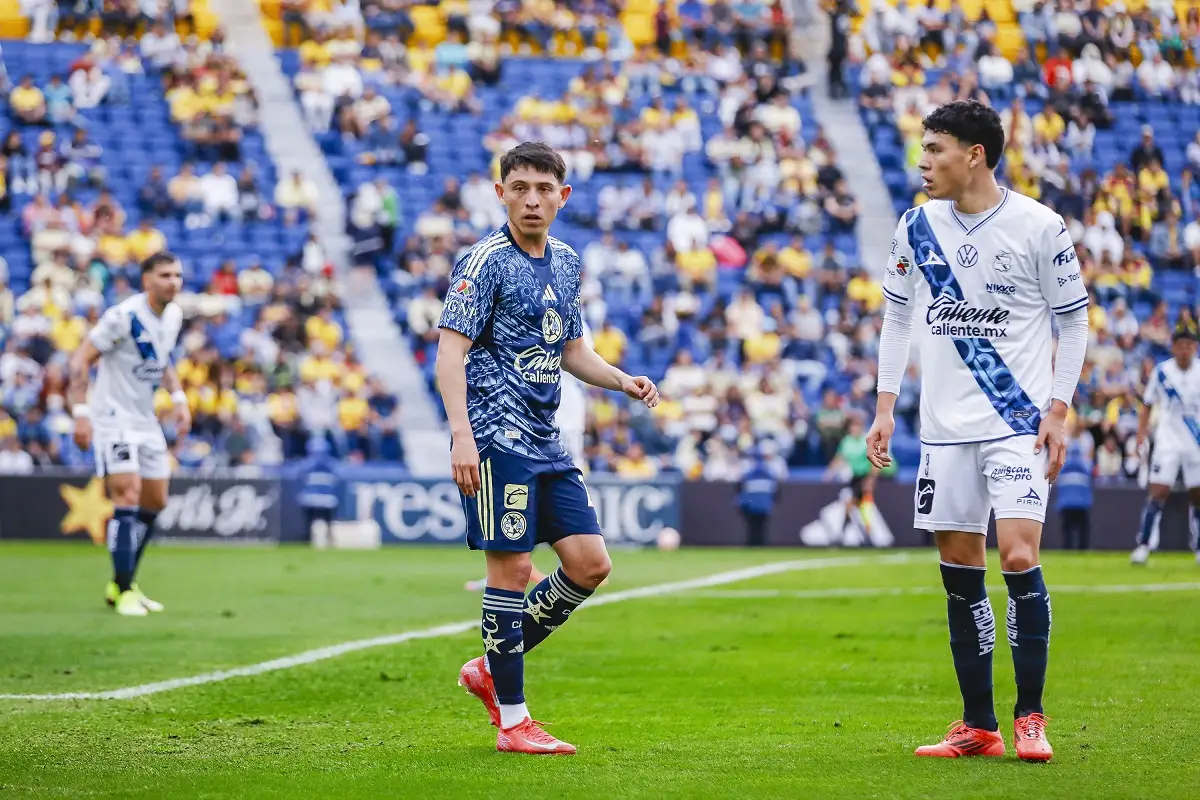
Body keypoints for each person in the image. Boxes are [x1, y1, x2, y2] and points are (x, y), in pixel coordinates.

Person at [866, 101, 1089, 763]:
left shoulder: (1039, 227)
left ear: (975, 155)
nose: (922, 162)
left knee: (1019, 559)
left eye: (935, 149)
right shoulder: (916, 227)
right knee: (960, 573)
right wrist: (884, 408)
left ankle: (1030, 716)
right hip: (943, 431)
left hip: (1016, 425)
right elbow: (896, 320)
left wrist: (1057, 409)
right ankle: (977, 724)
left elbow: (1072, 320)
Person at [435, 142, 660, 755]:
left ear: (563, 196)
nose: (531, 199)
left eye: (543, 189)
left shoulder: (564, 260)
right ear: (501, 192)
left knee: (590, 563)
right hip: (495, 437)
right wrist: (461, 434)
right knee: (508, 572)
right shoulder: (482, 263)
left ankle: (486, 669)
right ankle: (514, 721)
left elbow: (571, 351)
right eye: (520, 188)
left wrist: (623, 380)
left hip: (546, 438)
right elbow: (449, 353)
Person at [68, 252, 190, 618]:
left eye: (178, 275)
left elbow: (160, 360)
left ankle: (124, 582)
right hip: (112, 418)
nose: (174, 282)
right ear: (146, 281)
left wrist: (179, 397)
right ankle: (123, 591)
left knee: (156, 501)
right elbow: (79, 361)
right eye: (166, 275)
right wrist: (81, 414)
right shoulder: (122, 317)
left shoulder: (174, 316)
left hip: (145, 418)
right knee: (128, 493)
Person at [463, 320, 589, 592]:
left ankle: (553, 565)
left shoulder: (568, 316)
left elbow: (577, 356)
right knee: (515, 510)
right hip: (525, 422)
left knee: (550, 504)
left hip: (555, 423)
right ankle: (511, 568)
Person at [1131, 326, 1200, 565]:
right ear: (1173, 347)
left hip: (1196, 442)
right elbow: (1147, 404)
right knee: (1158, 491)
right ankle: (1144, 545)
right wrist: (1141, 433)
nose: (1184, 350)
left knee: (1198, 494)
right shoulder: (1162, 372)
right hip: (1167, 441)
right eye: (1180, 346)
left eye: (1189, 346)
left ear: (1195, 348)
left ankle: (1198, 546)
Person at [1055, 416, 1093, 551]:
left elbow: (1089, 461)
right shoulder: (1065, 439)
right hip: (1069, 491)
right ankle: (1068, 548)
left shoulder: (1087, 439)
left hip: (1080, 491)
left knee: (1081, 524)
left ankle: (1081, 548)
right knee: (1068, 525)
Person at [298, 436, 342, 547]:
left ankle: (310, 540)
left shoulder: (307, 465)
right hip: (325, 500)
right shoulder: (332, 465)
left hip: (315, 500)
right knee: (324, 523)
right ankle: (325, 539)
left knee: (312, 523)